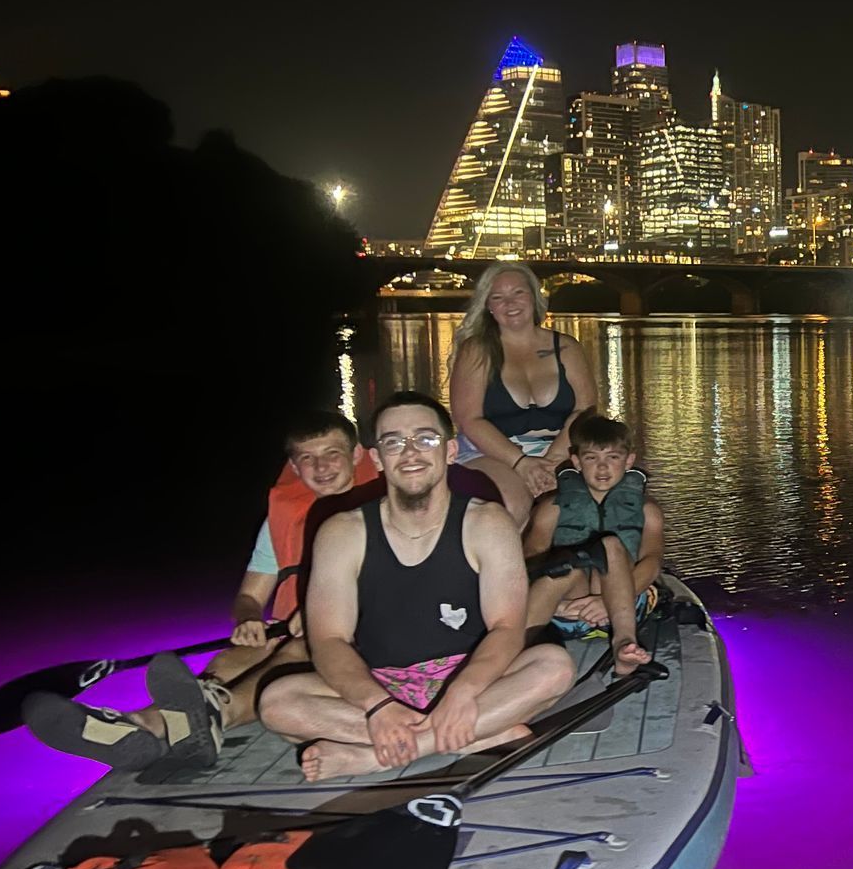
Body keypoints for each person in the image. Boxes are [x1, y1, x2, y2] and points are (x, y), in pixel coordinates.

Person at [22, 412, 377, 777]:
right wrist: (248, 619)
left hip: (356, 636)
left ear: (357, 455)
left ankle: (212, 714)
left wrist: (317, 613)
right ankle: (141, 725)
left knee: (299, 648)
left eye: (332, 453)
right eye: (307, 457)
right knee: (242, 653)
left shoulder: (382, 505)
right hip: (290, 633)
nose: (320, 466)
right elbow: (249, 597)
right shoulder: (285, 518)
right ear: (293, 465)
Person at [259, 391, 575, 781]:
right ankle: (473, 736)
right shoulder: (341, 532)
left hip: (469, 677)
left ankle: (380, 755)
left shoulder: (487, 523)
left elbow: (507, 628)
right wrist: (378, 707)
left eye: (425, 439)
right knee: (277, 702)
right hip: (378, 681)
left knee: (553, 667)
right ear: (376, 459)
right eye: (394, 442)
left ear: (450, 451)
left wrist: (460, 694)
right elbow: (328, 641)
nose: (410, 452)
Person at [448, 262, 598, 529]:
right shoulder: (477, 351)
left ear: (534, 297)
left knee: (599, 500)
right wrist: (521, 463)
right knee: (513, 502)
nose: (510, 303)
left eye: (518, 292)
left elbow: (584, 409)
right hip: (491, 451)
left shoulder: (566, 347)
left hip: (559, 449)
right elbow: (469, 419)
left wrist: (552, 462)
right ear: (488, 306)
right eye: (498, 297)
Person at [524, 413, 665, 676]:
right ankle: (514, 648)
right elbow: (530, 561)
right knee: (564, 567)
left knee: (610, 546)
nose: (602, 468)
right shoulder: (550, 509)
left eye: (612, 458)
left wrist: (606, 601)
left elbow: (653, 561)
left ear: (629, 460)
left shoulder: (648, 510)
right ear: (576, 462)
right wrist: (558, 605)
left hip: (623, 608)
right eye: (592, 458)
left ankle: (623, 644)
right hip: (566, 610)